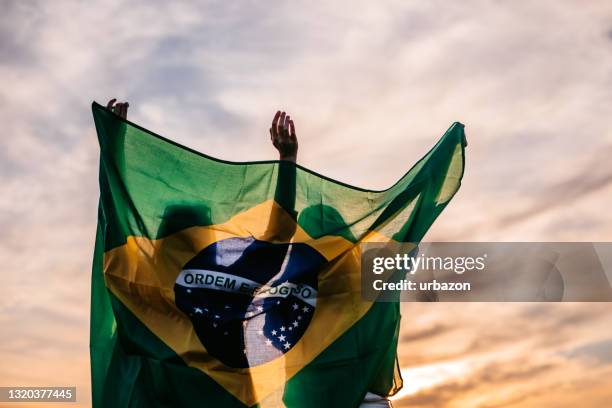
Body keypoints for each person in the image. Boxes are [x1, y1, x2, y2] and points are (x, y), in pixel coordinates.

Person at [106, 99, 393, 408]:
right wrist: (287, 161)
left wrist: (113, 148)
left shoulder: (147, 285)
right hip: (232, 398)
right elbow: (278, 236)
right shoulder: (235, 277)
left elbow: (117, 229)